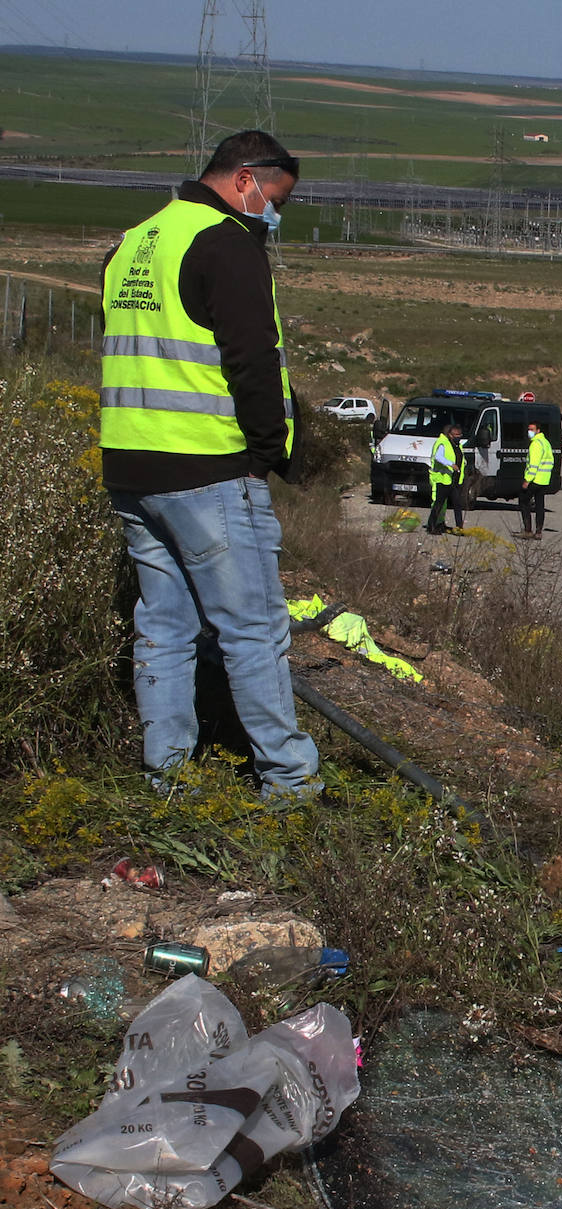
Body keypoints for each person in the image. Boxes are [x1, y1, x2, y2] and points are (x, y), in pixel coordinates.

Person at [99, 129, 321, 802]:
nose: (271, 216)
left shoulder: (136, 240)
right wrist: (267, 454)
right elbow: (252, 359)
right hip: (208, 468)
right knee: (252, 630)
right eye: (273, 198)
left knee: (163, 628)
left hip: (133, 468)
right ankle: (289, 784)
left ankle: (167, 778)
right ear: (245, 178)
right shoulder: (225, 244)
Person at [426, 423, 465, 534]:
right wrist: (451, 464)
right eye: (456, 435)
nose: (458, 437)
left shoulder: (458, 446)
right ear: (450, 435)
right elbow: (438, 457)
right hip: (443, 479)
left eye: (460, 435)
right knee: (439, 504)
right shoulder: (443, 443)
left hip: (454, 480)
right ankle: (432, 526)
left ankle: (459, 527)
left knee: (457, 504)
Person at [519, 419, 554, 539]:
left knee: (523, 501)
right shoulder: (546, 443)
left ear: (538, 430)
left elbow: (534, 465)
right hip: (544, 479)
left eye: (532, 430)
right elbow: (550, 462)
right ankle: (539, 531)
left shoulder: (535, 444)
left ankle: (528, 530)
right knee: (540, 505)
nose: (529, 432)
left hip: (535, 479)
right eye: (528, 429)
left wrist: (527, 480)